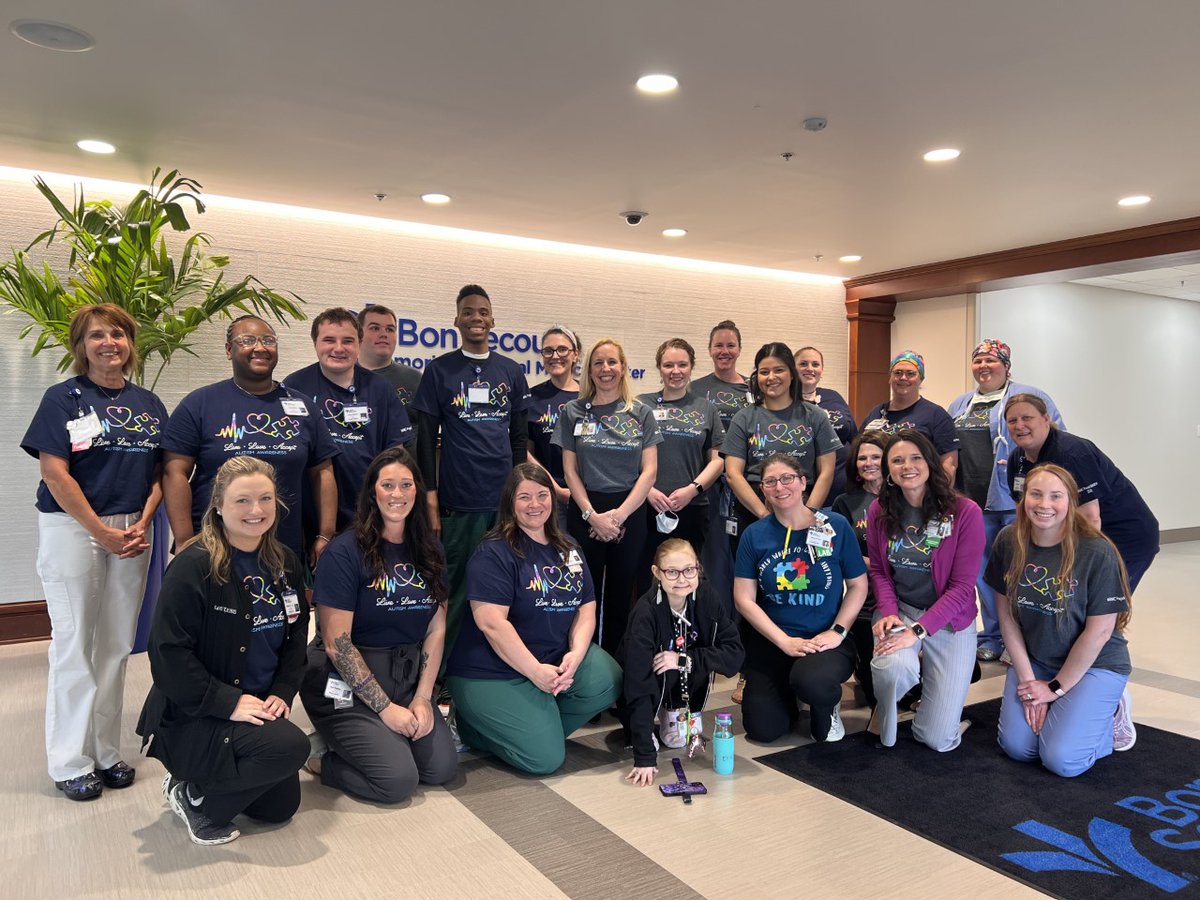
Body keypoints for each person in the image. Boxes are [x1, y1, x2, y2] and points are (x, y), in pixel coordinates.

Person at [21, 304, 168, 801]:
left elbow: (159, 474)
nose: (110, 343)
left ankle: (105, 751)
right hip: (74, 528)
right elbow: (54, 473)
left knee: (116, 644)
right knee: (74, 644)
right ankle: (69, 760)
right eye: (97, 335)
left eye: (119, 334)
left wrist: (145, 520)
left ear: (131, 344)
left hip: (133, 529)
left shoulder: (149, 403)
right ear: (80, 346)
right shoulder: (62, 398)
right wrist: (100, 531)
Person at [137, 457, 310, 845]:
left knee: (278, 810)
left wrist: (282, 692)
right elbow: (167, 654)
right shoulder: (193, 567)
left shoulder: (284, 563)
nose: (257, 510)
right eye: (242, 501)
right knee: (291, 747)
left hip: (257, 705)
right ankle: (193, 796)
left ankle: (210, 777)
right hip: (200, 711)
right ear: (218, 505)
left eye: (265, 499)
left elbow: (297, 635)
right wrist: (227, 701)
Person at [300, 447, 457, 802]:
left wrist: (422, 698)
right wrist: (385, 709)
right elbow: (336, 643)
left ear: (417, 490)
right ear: (373, 491)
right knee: (398, 781)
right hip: (347, 686)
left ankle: (381, 738)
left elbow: (436, 628)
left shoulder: (430, 549)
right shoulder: (344, 552)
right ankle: (322, 758)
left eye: (406, 485)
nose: (397, 494)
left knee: (440, 770)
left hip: (406, 679)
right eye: (388, 485)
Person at [444, 464, 623, 775]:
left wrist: (576, 655)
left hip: (550, 660)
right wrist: (535, 672)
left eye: (542, 495)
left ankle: (532, 724)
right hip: (492, 671)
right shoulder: (494, 553)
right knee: (544, 759)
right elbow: (492, 624)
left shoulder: (568, 547)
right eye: (524, 497)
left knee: (607, 680)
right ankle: (472, 726)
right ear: (510, 503)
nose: (535, 504)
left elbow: (586, 607)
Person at [983, 464, 1136, 776]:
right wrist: (1028, 682)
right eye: (1036, 494)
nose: (1044, 504)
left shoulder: (1096, 550)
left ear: (1071, 502)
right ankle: (1073, 709)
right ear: (1023, 499)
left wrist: (1053, 689)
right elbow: (1007, 617)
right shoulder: (1008, 540)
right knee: (1019, 748)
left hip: (1095, 663)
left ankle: (1110, 714)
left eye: (1056, 496)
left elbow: (1099, 633)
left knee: (1062, 760)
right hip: (1037, 659)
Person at [410, 284, 530, 658]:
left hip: (503, 502)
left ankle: (503, 660)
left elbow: (519, 441)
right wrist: (430, 500)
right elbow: (425, 441)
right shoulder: (439, 371)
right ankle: (445, 671)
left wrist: (521, 496)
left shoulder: (510, 372)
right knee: (456, 590)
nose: (476, 318)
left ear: (492, 320)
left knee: (508, 586)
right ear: (456, 320)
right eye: (468, 311)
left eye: (482, 312)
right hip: (458, 503)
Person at [163, 315, 339, 565]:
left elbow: (323, 471)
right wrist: (183, 539)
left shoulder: (302, 405)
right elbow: (175, 473)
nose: (260, 347)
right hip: (214, 545)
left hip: (283, 546)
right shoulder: (200, 403)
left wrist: (326, 534)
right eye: (247, 340)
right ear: (229, 350)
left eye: (268, 340)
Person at [733, 455, 867, 743]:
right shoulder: (754, 535)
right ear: (763, 489)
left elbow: (858, 585)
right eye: (770, 481)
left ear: (803, 482)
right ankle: (789, 695)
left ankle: (824, 706)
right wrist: (784, 641)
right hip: (774, 640)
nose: (780, 487)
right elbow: (744, 600)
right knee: (763, 729)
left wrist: (838, 631)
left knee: (815, 688)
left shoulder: (836, 526)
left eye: (787, 478)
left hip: (824, 639)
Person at [946, 339, 1064, 661]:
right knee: (987, 574)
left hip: (1015, 501)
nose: (983, 366)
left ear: (1006, 365)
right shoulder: (960, 403)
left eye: (991, 360)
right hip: (971, 502)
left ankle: (1026, 640)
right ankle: (994, 635)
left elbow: (1056, 441)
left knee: (1025, 570)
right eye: (978, 360)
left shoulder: (1030, 396)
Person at [867, 430, 983, 752]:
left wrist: (918, 632)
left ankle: (940, 714)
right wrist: (889, 612)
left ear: (930, 461)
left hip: (950, 620)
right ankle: (886, 708)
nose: (908, 466)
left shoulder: (965, 512)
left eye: (916, 457)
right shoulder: (880, 510)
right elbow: (879, 571)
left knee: (937, 740)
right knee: (893, 668)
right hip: (902, 610)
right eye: (897, 460)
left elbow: (962, 588)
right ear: (888, 470)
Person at [554, 338, 661, 654]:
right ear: (588, 369)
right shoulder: (573, 411)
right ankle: (581, 663)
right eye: (598, 363)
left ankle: (615, 670)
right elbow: (570, 471)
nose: (605, 369)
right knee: (583, 596)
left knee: (621, 595)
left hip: (629, 512)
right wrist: (591, 515)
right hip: (586, 512)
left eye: (612, 362)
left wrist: (620, 515)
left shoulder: (641, 413)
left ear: (623, 367)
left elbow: (650, 472)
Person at [620, 539, 743, 786]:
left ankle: (676, 713)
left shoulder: (707, 596)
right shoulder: (646, 613)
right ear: (657, 573)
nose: (682, 579)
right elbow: (638, 683)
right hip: (646, 687)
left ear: (698, 568)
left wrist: (683, 659)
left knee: (677, 738)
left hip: (683, 680)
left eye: (689, 570)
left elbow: (734, 655)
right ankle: (645, 725)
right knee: (657, 664)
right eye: (672, 572)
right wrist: (644, 755)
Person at [1004, 394, 1158, 592]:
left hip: (1124, 535)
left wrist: (1079, 567)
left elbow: (1090, 518)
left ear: (1045, 419)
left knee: (1100, 603)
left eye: (1027, 418)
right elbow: (1023, 509)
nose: (1019, 425)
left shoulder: (1072, 453)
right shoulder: (1016, 460)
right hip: (1072, 534)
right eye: (1012, 420)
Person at [283, 307, 413, 533]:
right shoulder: (294, 387)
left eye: (348, 341)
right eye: (329, 340)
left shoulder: (380, 389)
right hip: (308, 514)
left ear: (359, 344)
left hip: (367, 511)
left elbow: (395, 455)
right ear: (315, 343)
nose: (338, 348)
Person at [723, 342, 842, 550]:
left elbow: (827, 470)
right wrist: (765, 516)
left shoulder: (814, 415)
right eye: (764, 371)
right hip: (755, 509)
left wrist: (808, 514)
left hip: (805, 505)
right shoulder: (744, 418)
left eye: (779, 370)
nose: (771, 377)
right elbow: (733, 474)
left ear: (792, 374)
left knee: (803, 575)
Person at [635, 338, 725, 591]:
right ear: (659, 368)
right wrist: (647, 491)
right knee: (647, 580)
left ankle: (687, 631)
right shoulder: (641, 404)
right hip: (645, 507)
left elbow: (718, 461)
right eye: (668, 365)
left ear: (691, 367)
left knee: (687, 581)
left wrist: (693, 489)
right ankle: (648, 631)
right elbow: (627, 456)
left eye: (682, 365)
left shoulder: (706, 409)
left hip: (692, 507)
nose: (676, 372)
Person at [831, 432, 889, 709]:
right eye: (862, 458)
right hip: (867, 598)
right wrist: (883, 565)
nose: (868, 463)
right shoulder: (845, 503)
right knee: (873, 692)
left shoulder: (905, 495)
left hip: (906, 595)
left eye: (875, 456)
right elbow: (845, 555)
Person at [860, 351, 959, 482]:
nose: (903, 378)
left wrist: (937, 498)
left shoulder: (936, 415)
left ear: (921, 379)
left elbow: (948, 466)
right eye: (898, 373)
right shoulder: (876, 413)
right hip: (874, 493)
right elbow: (859, 451)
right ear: (890, 377)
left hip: (916, 495)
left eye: (911, 374)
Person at [527, 324, 582, 525]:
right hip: (547, 496)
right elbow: (527, 453)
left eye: (562, 349)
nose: (555, 355)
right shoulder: (532, 397)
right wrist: (555, 490)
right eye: (548, 350)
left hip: (589, 496)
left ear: (575, 354)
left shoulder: (591, 396)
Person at [795, 346, 858, 503]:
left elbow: (854, 436)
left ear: (822, 370)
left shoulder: (833, 396)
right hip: (808, 492)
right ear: (792, 368)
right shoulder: (786, 402)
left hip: (845, 490)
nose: (810, 369)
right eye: (803, 364)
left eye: (815, 364)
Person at [358, 303, 423, 416]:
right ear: (358, 334)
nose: (384, 334)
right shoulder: (341, 377)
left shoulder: (415, 379)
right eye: (375, 328)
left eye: (390, 329)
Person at [692, 320, 752, 432]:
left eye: (731, 346)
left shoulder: (753, 388)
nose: (725, 351)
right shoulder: (694, 388)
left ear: (739, 350)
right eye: (719, 345)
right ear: (710, 350)